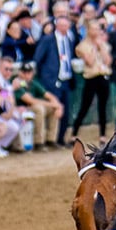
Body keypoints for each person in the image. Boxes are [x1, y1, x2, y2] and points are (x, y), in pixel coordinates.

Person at [33, 12, 79, 146]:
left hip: (66, 79)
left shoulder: (69, 40)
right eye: (62, 25)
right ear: (56, 26)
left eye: (66, 25)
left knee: (65, 111)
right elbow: (38, 59)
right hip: (52, 80)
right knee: (54, 109)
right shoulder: (48, 40)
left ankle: (60, 138)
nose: (64, 28)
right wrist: (47, 77)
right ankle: (50, 138)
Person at [72, 25, 114, 140]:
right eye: (94, 29)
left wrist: (102, 48)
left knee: (103, 106)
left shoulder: (104, 45)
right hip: (91, 77)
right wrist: (94, 48)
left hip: (103, 75)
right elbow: (89, 61)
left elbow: (108, 61)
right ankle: (74, 132)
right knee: (85, 106)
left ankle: (103, 134)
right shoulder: (83, 46)